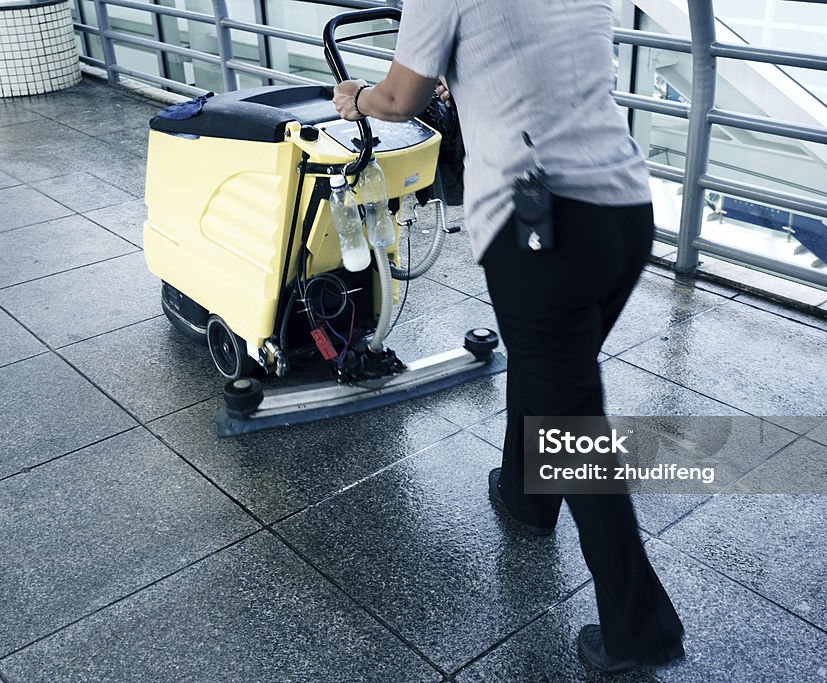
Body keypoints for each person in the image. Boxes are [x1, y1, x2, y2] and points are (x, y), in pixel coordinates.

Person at [332, 0, 685, 672]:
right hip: (624, 214)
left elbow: (401, 96)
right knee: (555, 372)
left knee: (571, 421)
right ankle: (528, 498)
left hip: (542, 225)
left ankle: (643, 629)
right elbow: (531, 65)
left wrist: (356, 97)